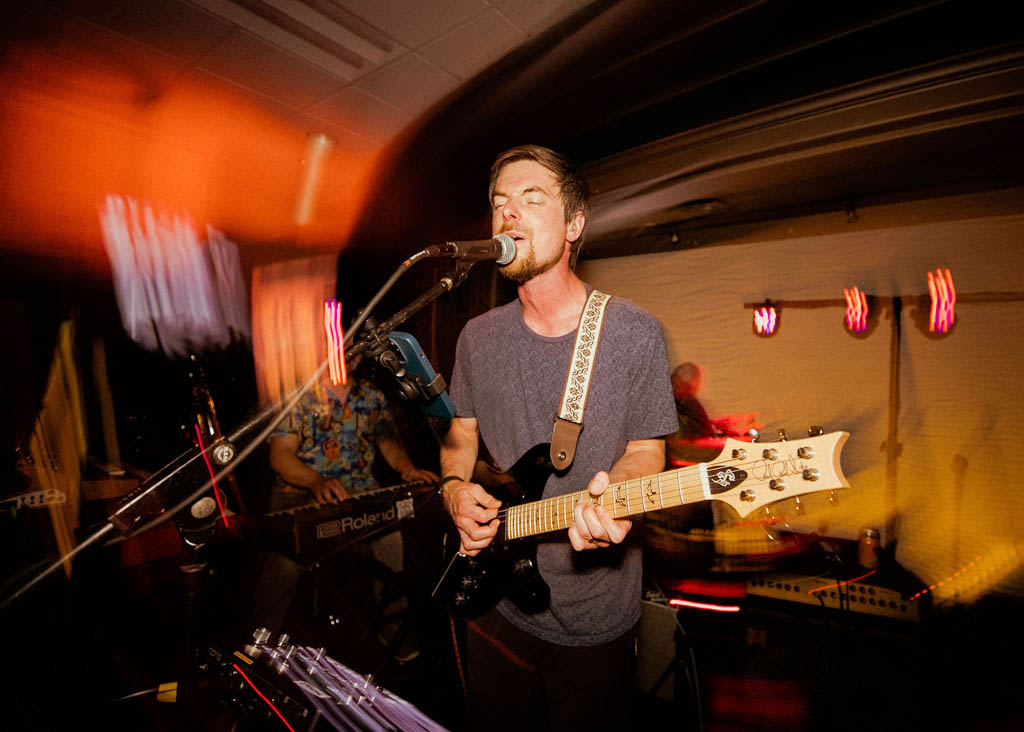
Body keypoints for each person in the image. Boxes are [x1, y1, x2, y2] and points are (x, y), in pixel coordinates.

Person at [438, 145, 677, 731]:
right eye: (500, 202)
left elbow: (647, 451)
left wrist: (614, 495)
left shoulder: (633, 332)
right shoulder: (476, 337)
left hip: (593, 616)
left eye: (531, 198)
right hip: (493, 599)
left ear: (574, 225)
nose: (508, 212)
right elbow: (460, 435)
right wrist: (453, 489)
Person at [269, 366, 438, 511]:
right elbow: (280, 455)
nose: (347, 349)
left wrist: (407, 468)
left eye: (352, 343)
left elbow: (386, 441)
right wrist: (316, 481)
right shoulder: (298, 397)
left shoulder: (371, 395)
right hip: (301, 501)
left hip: (362, 493)